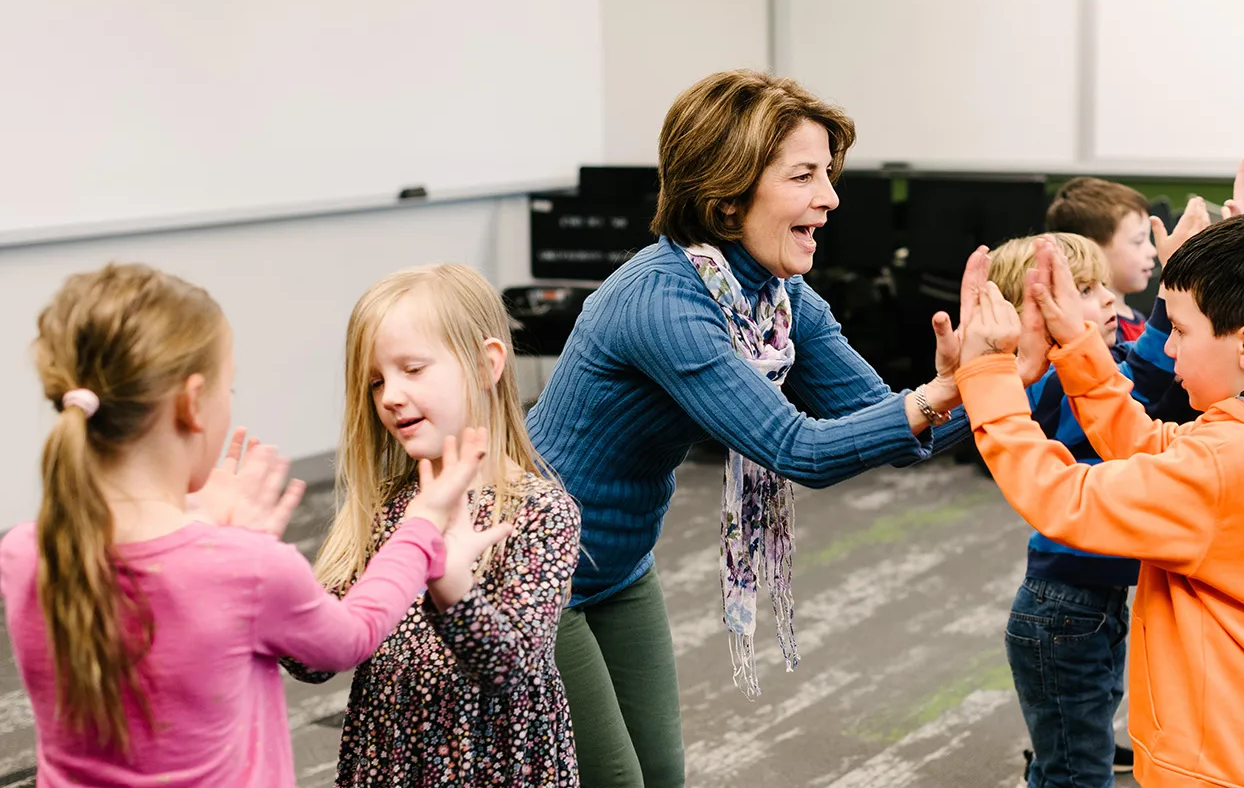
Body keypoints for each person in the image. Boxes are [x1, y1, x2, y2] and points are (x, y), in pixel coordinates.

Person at [523, 69, 976, 788]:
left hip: (619, 564)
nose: (829, 198)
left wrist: (1005, 379)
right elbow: (799, 449)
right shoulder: (664, 303)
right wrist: (945, 393)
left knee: (661, 775)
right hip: (532, 565)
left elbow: (891, 425)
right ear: (728, 195)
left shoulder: (778, 295)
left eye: (827, 174)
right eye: (804, 176)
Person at [2, 263, 494, 787]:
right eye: (227, 388)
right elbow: (350, 637)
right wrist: (423, 524)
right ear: (193, 402)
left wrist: (215, 532)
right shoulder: (250, 568)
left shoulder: (24, 552)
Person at [948, 215, 1244, 787]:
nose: (1168, 345)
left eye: (1179, 330)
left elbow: (1062, 498)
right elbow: (1151, 445)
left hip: (1218, 756)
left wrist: (985, 374)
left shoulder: (1225, 462)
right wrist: (1080, 351)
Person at [284, 264, 581, 786]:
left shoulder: (539, 511)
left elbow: (507, 669)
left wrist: (451, 583)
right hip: (393, 763)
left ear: (487, 363)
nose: (390, 396)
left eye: (413, 369)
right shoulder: (386, 512)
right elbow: (315, 661)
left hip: (495, 766)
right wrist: (257, 574)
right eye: (376, 381)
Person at [986, 210, 1203, 788]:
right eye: (1085, 290)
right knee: (1077, 775)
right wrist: (1169, 297)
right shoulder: (1051, 382)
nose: (1109, 300)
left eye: (1104, 285)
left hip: (1091, 605)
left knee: (1077, 757)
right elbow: (1141, 387)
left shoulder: (1077, 371)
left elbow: (1133, 387)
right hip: (1065, 610)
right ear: (1032, 312)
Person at [1045, 177, 1161, 341]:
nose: (1152, 251)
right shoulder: (1102, 330)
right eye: (1138, 241)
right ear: (1092, 249)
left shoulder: (1137, 318)